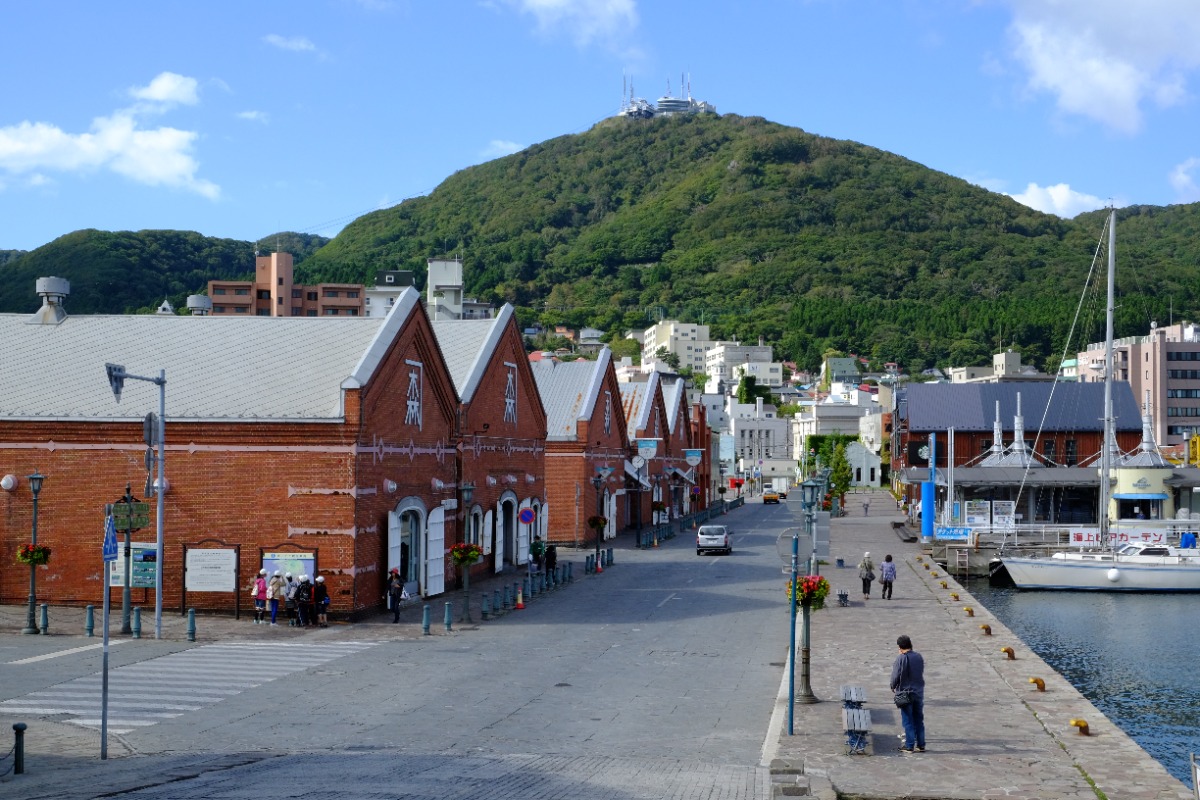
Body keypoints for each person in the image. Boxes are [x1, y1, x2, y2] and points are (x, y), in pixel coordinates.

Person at [891, 634, 926, 753]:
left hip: (906, 692)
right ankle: (921, 744)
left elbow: (896, 675)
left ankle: (909, 745)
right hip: (918, 691)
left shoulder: (901, 658)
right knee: (918, 719)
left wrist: (893, 686)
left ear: (900, 647)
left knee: (908, 720)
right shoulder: (918, 657)